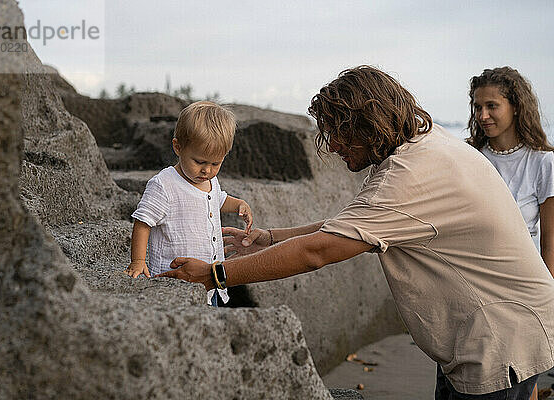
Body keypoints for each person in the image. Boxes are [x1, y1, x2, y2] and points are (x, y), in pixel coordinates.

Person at [157, 66, 554, 399]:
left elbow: (321, 250)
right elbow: (355, 226)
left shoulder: (409, 176)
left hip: (501, 338)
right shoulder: (425, 146)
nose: (331, 145)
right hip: (490, 330)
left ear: (365, 125)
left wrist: (214, 274)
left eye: (337, 132)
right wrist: (271, 238)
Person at [124, 101, 253, 306]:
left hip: (211, 280)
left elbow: (219, 200)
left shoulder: (210, 182)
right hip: (174, 281)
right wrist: (138, 261)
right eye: (199, 162)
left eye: (215, 164)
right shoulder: (164, 185)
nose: (207, 171)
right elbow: (142, 223)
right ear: (178, 147)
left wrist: (238, 204)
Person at [467, 66, 554, 277]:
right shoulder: (468, 157)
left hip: (523, 277)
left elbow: (550, 242)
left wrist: (548, 296)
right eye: (478, 107)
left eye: (492, 106)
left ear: (516, 106)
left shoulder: (543, 162)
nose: (483, 115)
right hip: (473, 275)